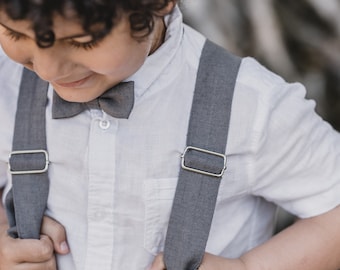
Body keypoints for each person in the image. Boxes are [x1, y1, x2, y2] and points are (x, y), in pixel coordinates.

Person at [0, 0, 339, 269]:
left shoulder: (251, 105)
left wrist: (249, 266)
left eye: (80, 41)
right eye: (15, 34)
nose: (48, 69)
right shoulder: (7, 81)